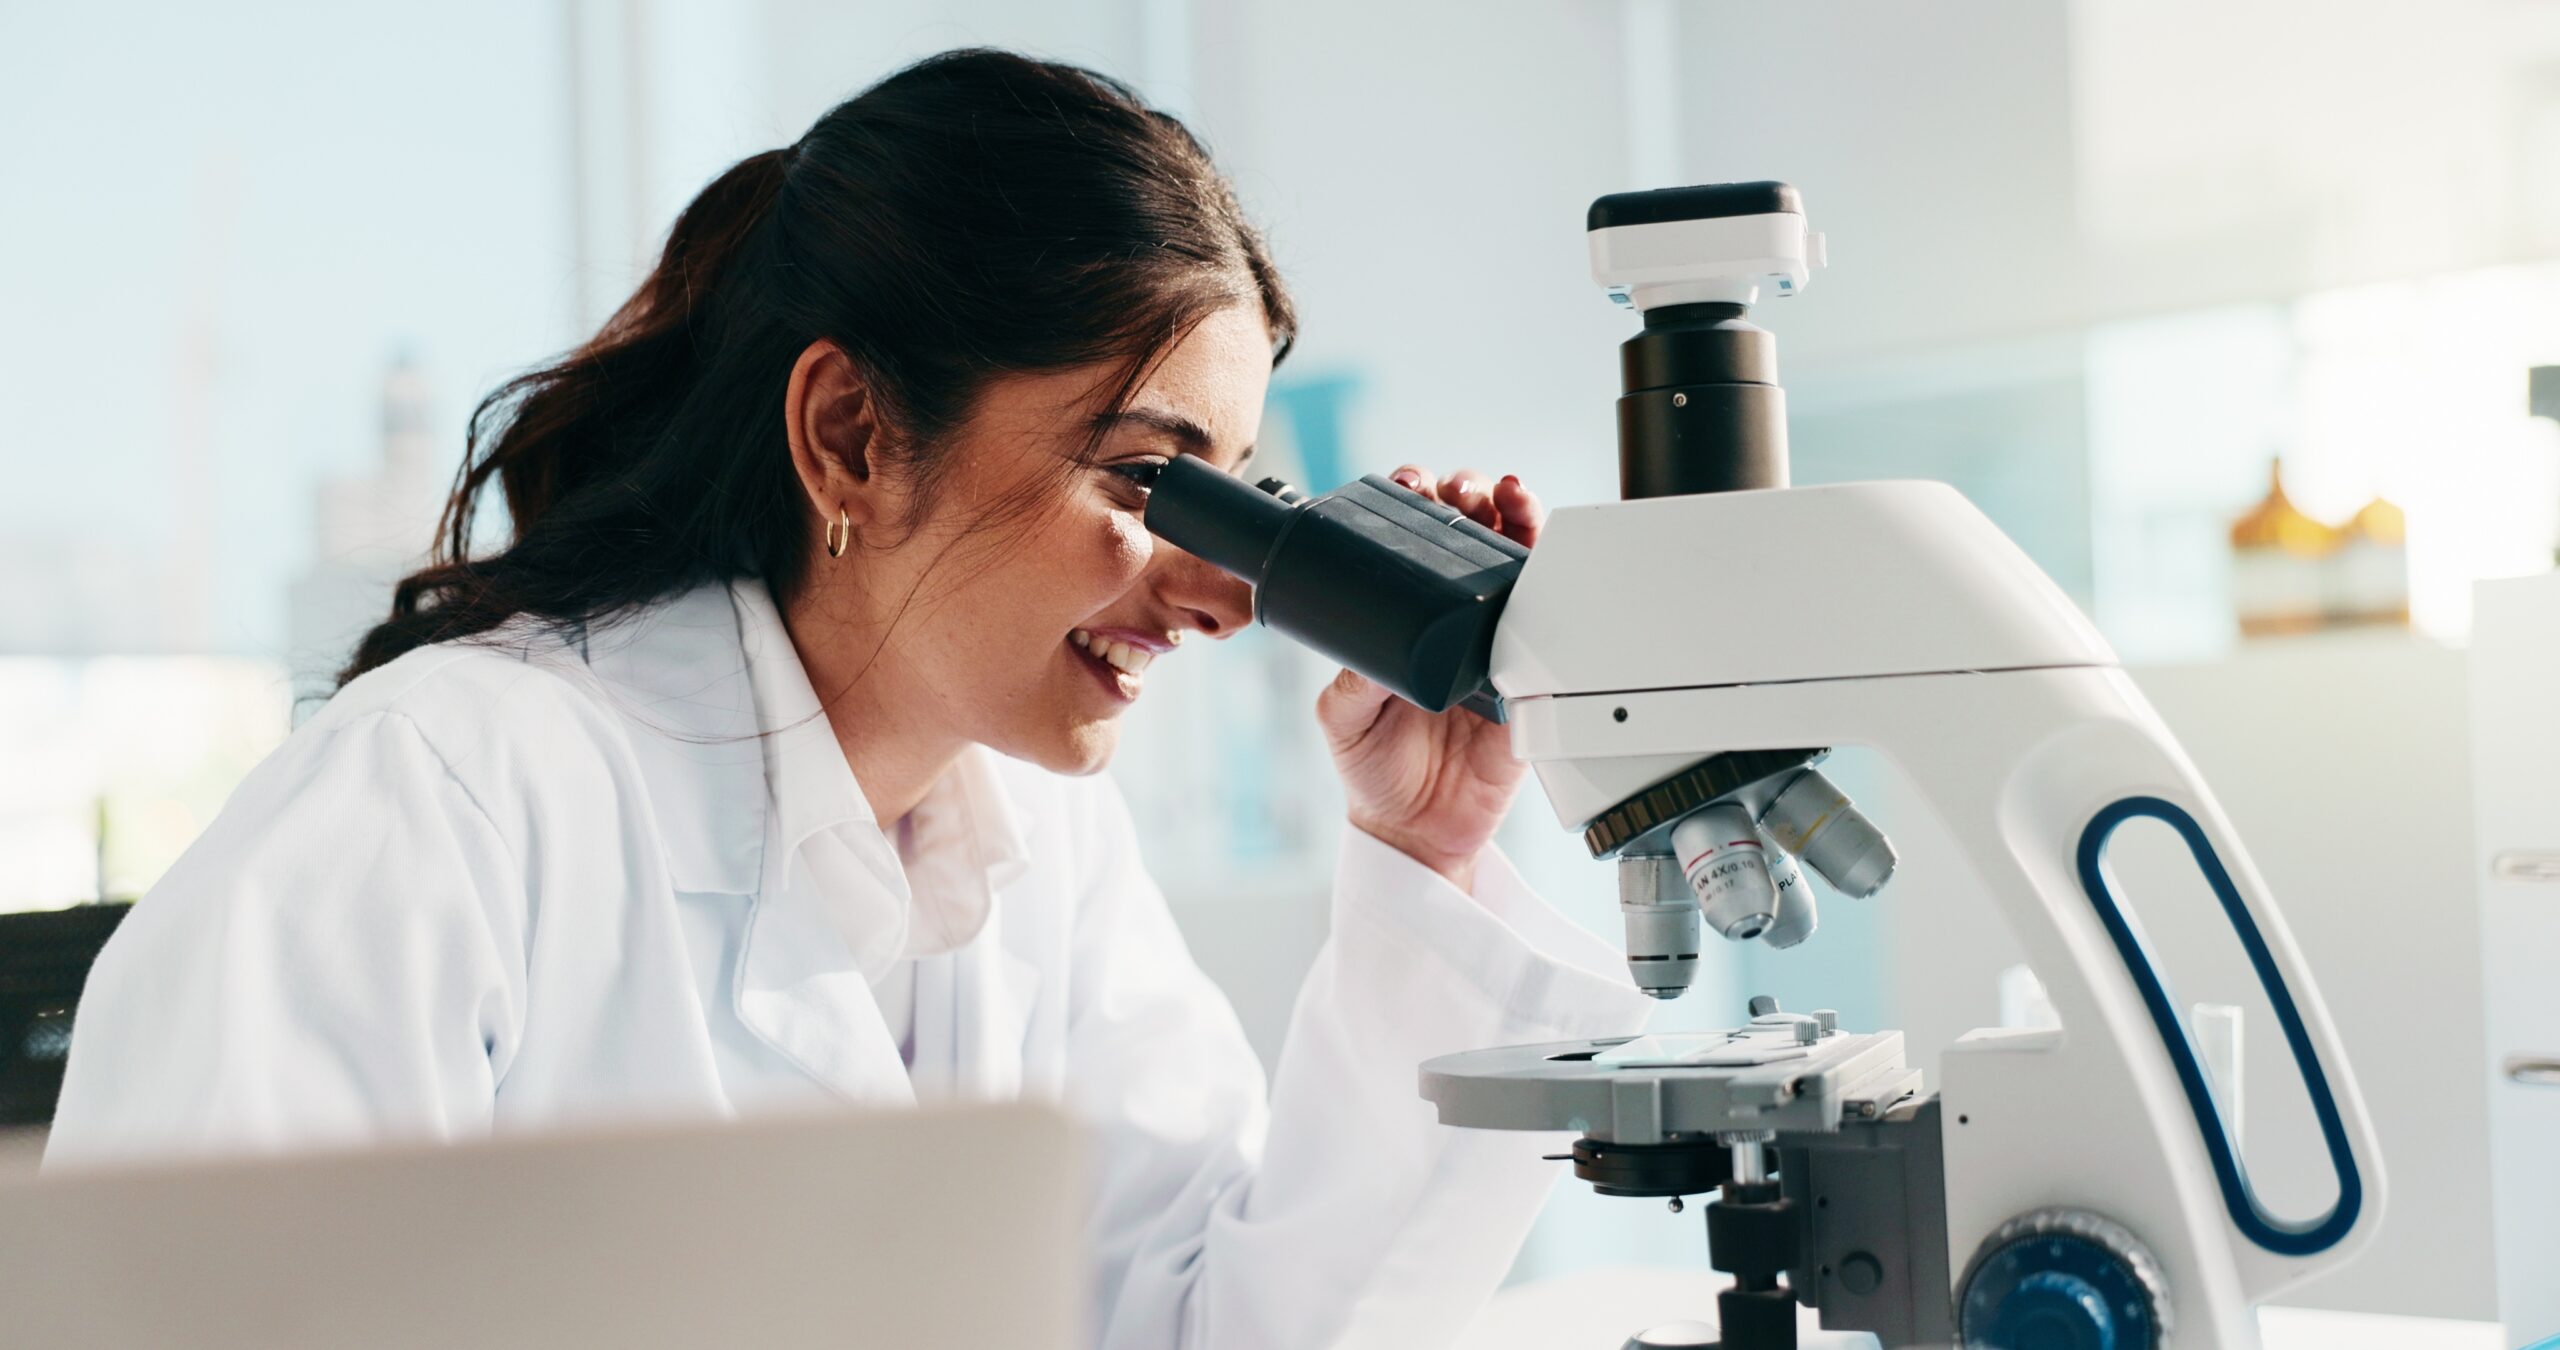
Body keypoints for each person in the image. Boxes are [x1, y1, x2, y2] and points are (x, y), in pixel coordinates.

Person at [48, 48, 1648, 1348]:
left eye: (1246, 496)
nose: (1225, 592)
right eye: (1154, 480)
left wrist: (1428, 848)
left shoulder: (1038, 854)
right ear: (854, 438)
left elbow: (1219, 1333)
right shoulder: (440, 799)